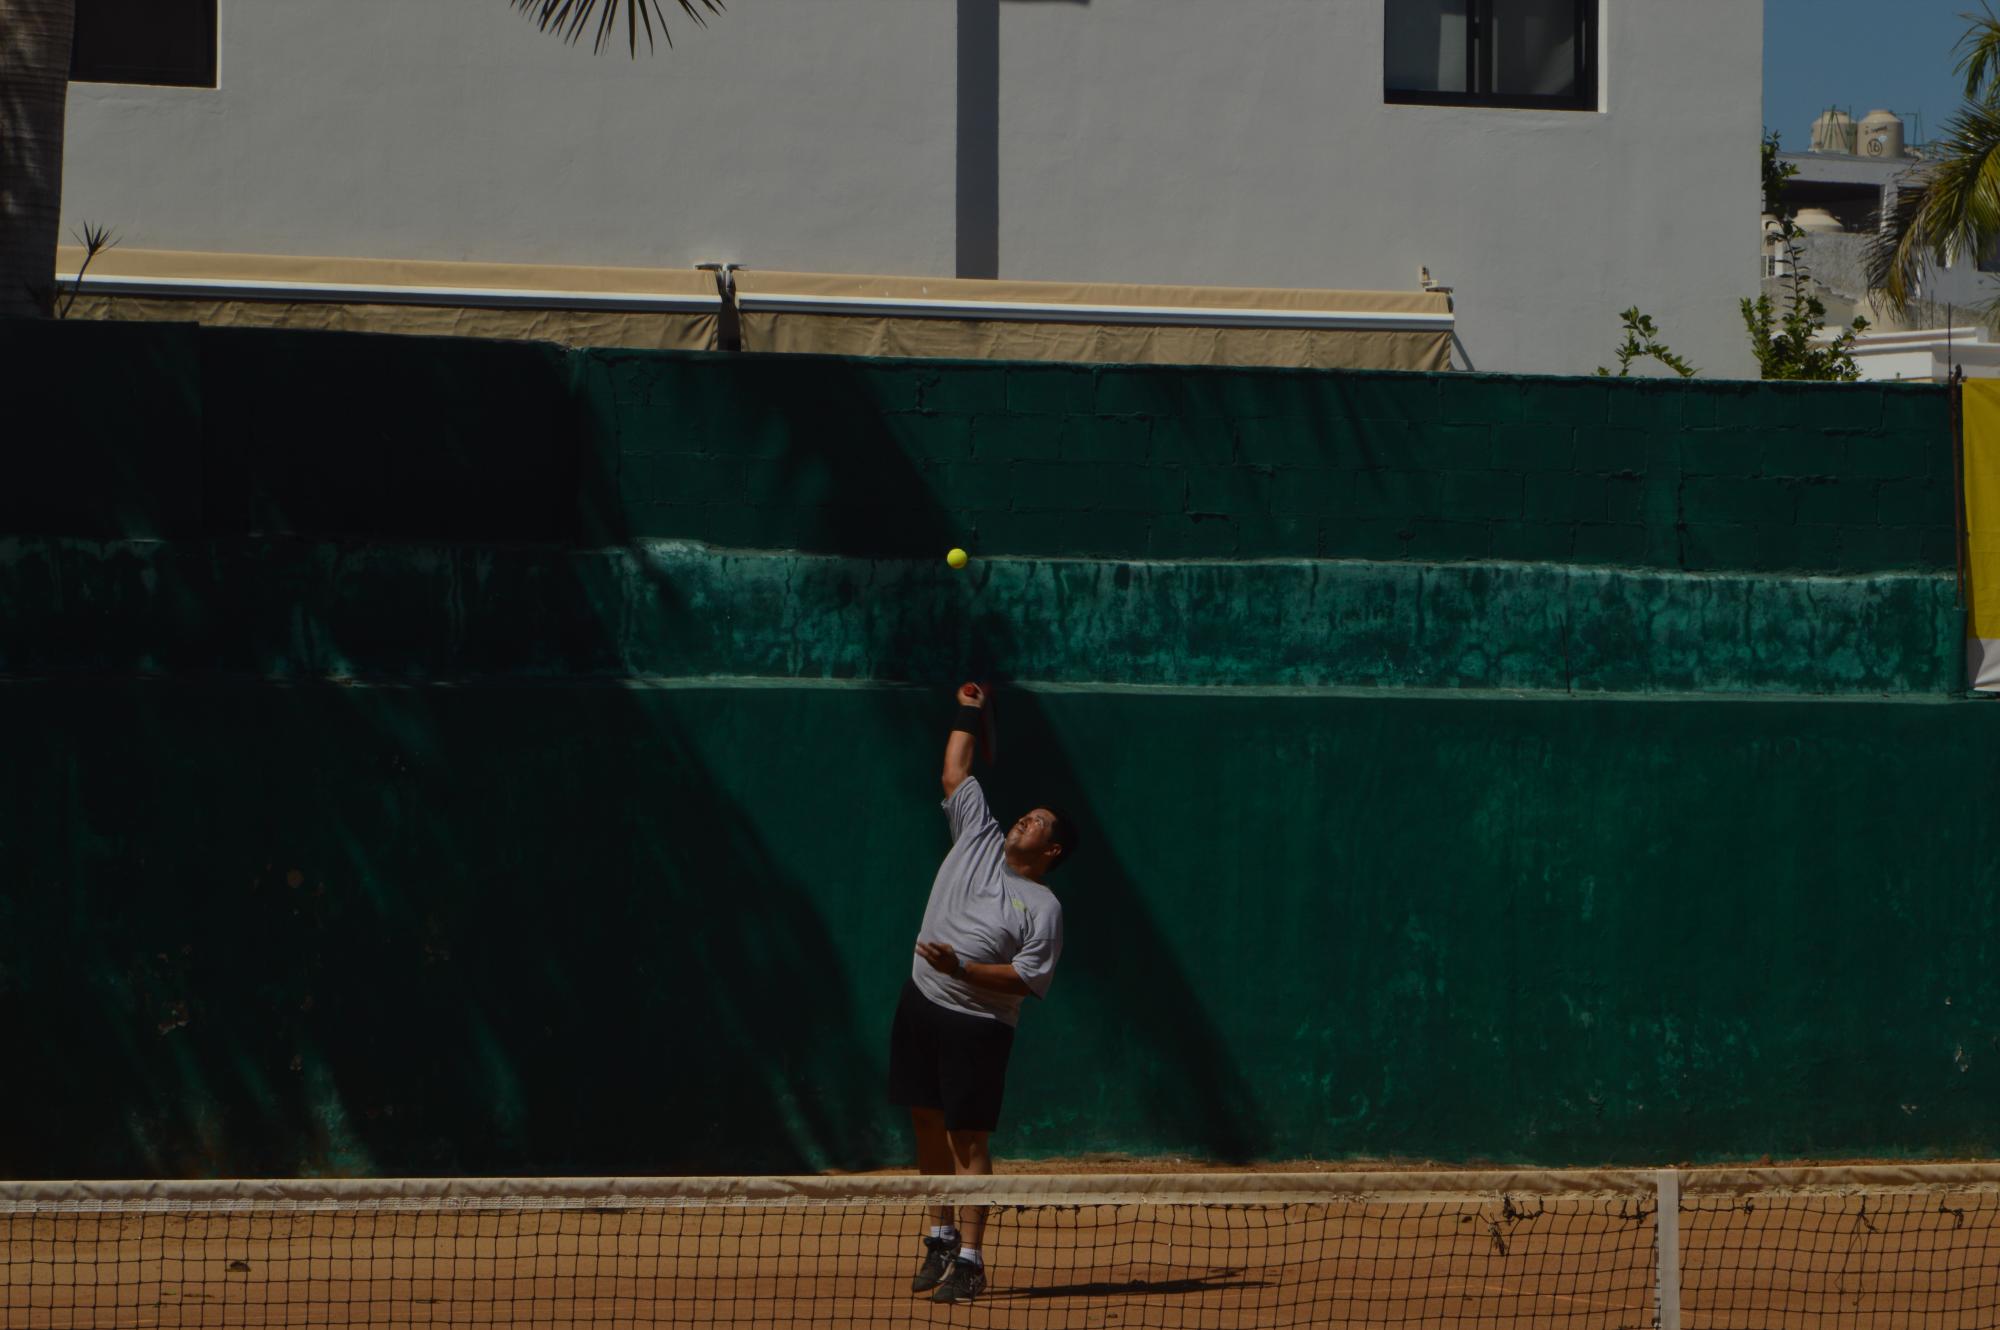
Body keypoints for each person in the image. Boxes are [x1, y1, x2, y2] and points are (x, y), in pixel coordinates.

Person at [888, 681, 1076, 1305]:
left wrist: (964, 968)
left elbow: (1027, 977)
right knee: (924, 1121)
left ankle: (970, 1258)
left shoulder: (1042, 906)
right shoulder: (976, 834)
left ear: (1049, 850)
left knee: (968, 1140)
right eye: (1026, 813)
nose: (1025, 818)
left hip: (978, 1024)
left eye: (1038, 823)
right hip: (921, 1001)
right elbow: (954, 768)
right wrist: (969, 708)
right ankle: (938, 1234)